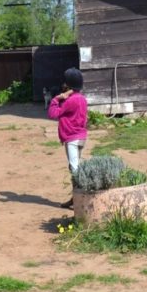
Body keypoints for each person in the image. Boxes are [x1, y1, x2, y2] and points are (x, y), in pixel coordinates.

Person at [47, 67, 88, 208]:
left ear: (69, 85)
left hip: (72, 138)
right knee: (74, 167)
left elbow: (53, 114)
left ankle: (80, 199)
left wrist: (57, 99)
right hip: (81, 137)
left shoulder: (70, 100)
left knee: (75, 169)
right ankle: (75, 198)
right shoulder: (81, 99)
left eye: (65, 83)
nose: (63, 86)